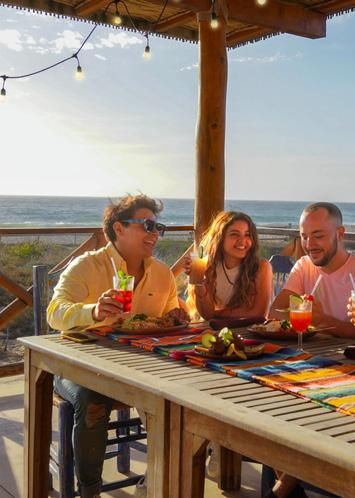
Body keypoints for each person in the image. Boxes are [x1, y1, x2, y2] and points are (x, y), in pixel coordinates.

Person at [47, 194, 179, 497]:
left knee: (177, 398)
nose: (155, 233)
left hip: (138, 366)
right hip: (80, 365)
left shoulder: (162, 273)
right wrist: (93, 311)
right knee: (93, 401)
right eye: (147, 225)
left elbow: (169, 317)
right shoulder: (87, 265)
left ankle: (156, 479)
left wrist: (177, 316)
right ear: (119, 228)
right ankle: (89, 491)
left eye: (158, 227)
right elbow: (54, 313)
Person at [270, 202, 355, 341]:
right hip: (311, 350)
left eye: (318, 236)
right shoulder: (303, 265)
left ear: (340, 234)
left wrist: (323, 321)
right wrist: (302, 315)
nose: (309, 245)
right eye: (304, 237)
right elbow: (274, 312)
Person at [184, 211, 272, 320]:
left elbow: (259, 314)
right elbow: (206, 314)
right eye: (234, 234)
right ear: (220, 238)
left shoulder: (261, 267)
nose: (242, 241)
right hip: (216, 328)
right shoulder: (209, 266)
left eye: (247, 235)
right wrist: (199, 282)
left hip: (248, 329)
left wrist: (216, 314)